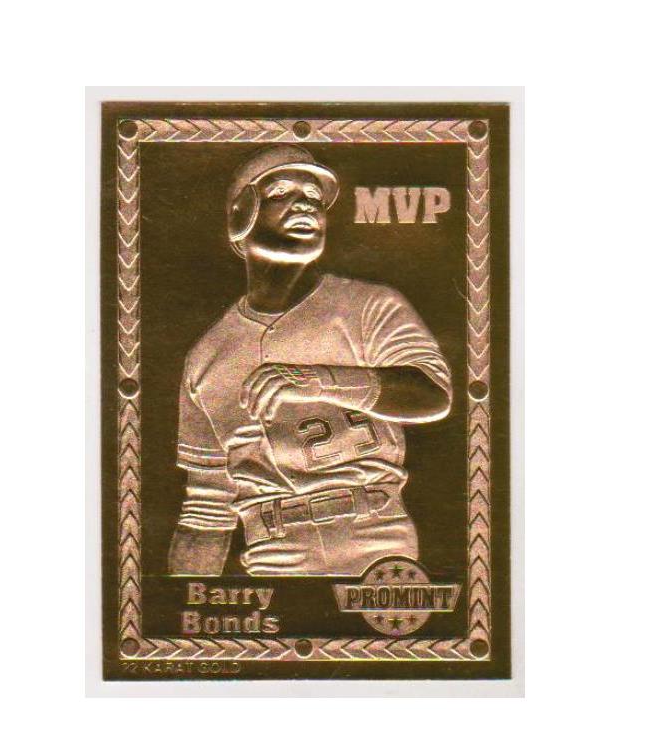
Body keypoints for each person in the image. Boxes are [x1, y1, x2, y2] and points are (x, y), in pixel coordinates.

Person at [168, 144, 452, 576]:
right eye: (282, 191)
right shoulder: (207, 355)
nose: (306, 203)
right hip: (271, 551)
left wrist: (322, 381)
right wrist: (182, 601)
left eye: (315, 197)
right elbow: (206, 506)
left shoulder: (370, 305)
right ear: (241, 213)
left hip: (373, 536)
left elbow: (433, 393)